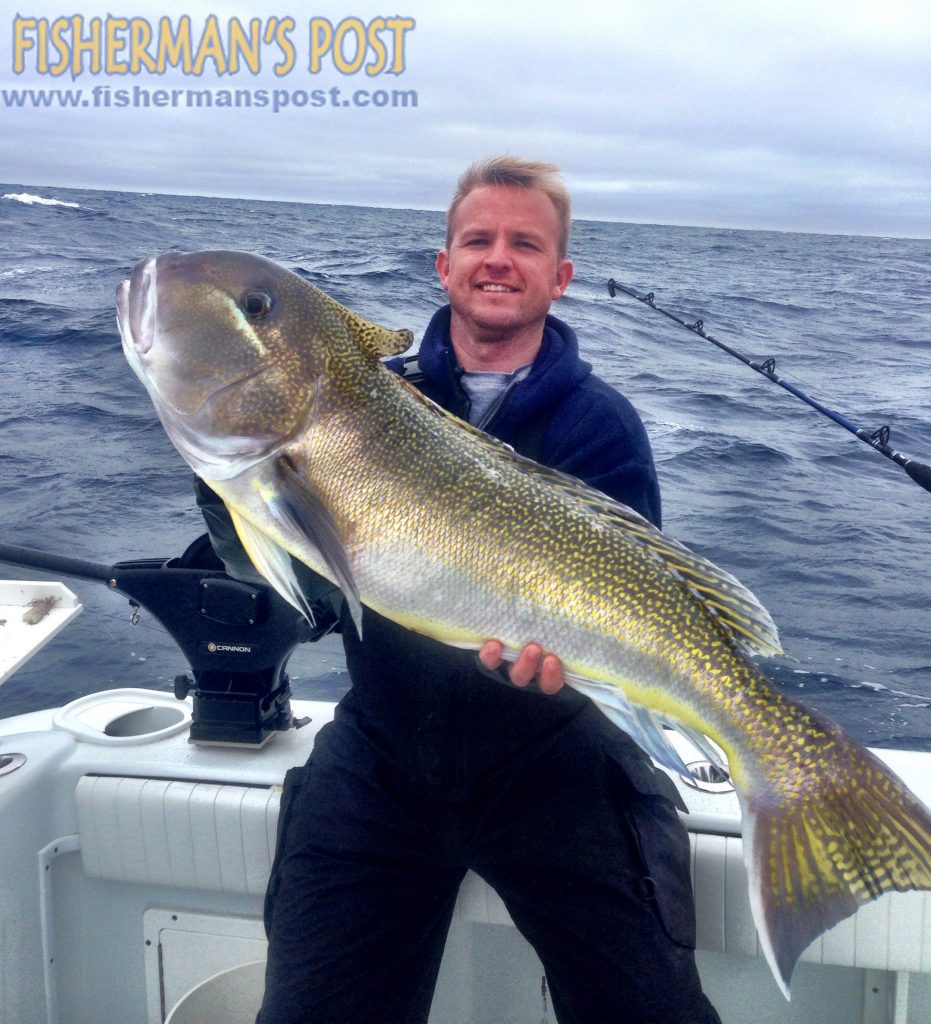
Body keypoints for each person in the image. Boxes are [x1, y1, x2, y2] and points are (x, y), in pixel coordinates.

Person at [200, 156, 720, 1024]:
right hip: (385, 751)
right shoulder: (361, 400)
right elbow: (315, 599)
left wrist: (569, 663)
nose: (497, 258)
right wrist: (234, 478)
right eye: (476, 239)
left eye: (525, 243)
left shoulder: (601, 427)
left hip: (552, 755)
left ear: (559, 276)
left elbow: (632, 595)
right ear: (442, 266)